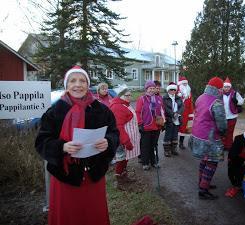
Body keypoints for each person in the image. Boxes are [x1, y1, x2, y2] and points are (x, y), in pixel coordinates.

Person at [35, 65, 119, 225]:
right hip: (65, 178)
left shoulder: (101, 110)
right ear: (66, 85)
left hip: (93, 176)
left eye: (82, 81)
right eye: (72, 81)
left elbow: (114, 133)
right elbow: (41, 142)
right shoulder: (55, 111)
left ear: (88, 85)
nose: (77, 85)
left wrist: (108, 141)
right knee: (68, 217)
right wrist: (62, 147)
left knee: (93, 216)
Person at [189, 77, 227, 200]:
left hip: (197, 133)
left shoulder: (200, 97)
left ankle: (202, 182)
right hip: (209, 137)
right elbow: (221, 123)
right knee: (212, 161)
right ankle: (203, 189)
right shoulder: (216, 102)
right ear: (217, 89)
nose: (222, 91)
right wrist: (223, 133)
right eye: (221, 89)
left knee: (205, 159)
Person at [110, 84, 140, 189]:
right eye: (127, 95)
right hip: (122, 140)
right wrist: (126, 141)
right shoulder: (118, 107)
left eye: (130, 95)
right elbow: (118, 126)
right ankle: (119, 182)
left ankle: (124, 176)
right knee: (121, 159)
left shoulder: (125, 104)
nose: (129, 97)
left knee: (125, 159)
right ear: (120, 95)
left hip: (127, 138)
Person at [136, 80, 163, 170]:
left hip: (156, 126)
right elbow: (138, 112)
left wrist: (163, 122)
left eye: (153, 88)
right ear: (146, 89)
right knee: (145, 146)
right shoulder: (142, 99)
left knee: (154, 145)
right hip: (146, 127)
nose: (152, 90)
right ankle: (145, 162)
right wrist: (140, 124)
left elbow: (162, 111)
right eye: (150, 88)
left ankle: (154, 161)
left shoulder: (159, 99)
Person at [221, 77, 244, 151]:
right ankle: (223, 145)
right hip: (222, 116)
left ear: (230, 87)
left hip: (232, 116)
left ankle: (229, 146)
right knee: (223, 131)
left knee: (230, 132)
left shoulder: (235, 93)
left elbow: (241, 101)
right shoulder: (220, 93)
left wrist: (236, 101)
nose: (226, 88)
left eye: (228, 87)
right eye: (225, 87)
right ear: (223, 87)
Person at [162, 82, 184, 156]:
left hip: (177, 118)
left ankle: (173, 149)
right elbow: (165, 107)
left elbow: (182, 106)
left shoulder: (178, 98)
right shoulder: (165, 98)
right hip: (169, 119)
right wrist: (172, 114)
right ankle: (167, 150)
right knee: (168, 135)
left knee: (175, 135)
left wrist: (178, 113)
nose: (173, 91)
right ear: (168, 90)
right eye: (171, 90)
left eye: (174, 90)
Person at [177, 76, 194, 150]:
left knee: (184, 128)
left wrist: (191, 112)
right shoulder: (177, 92)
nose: (184, 85)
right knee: (175, 128)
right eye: (183, 83)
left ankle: (181, 143)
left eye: (185, 83)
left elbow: (190, 103)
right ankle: (172, 145)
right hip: (178, 113)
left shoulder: (189, 93)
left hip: (186, 113)